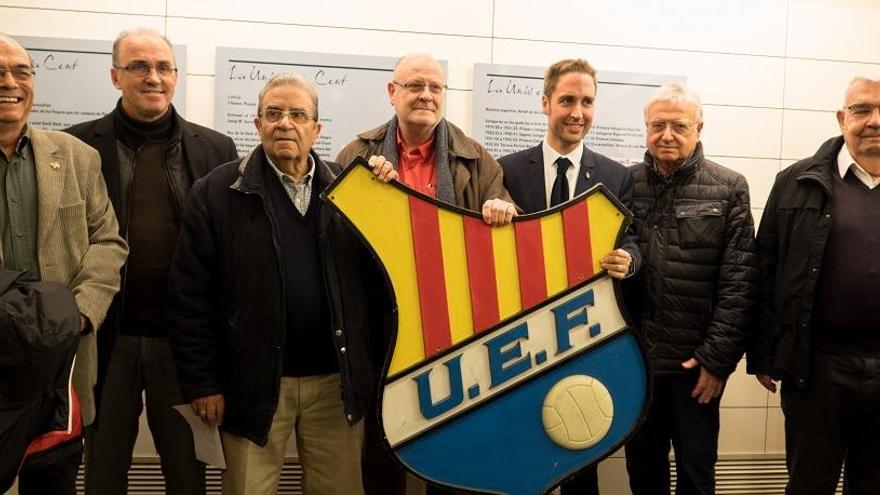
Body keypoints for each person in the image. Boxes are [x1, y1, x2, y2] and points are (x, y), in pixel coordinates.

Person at [167, 73, 395, 495]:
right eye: (273, 113)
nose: (285, 123)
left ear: (317, 129)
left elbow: (380, 286)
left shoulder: (350, 192)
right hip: (251, 384)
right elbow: (189, 297)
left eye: (298, 114)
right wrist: (202, 383)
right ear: (257, 125)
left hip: (335, 384)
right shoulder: (216, 193)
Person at [65, 27, 238, 494]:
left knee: (188, 477)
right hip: (106, 340)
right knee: (103, 475)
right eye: (139, 66)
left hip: (185, 346)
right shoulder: (77, 147)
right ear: (115, 76)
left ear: (176, 76)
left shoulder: (216, 150)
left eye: (164, 67)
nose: (153, 77)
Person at [336, 52, 516, 495]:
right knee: (382, 442)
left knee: (451, 438)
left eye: (436, 87)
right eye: (415, 85)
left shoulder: (478, 158)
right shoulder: (357, 155)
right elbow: (336, 241)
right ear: (392, 92)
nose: (426, 95)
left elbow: (505, 236)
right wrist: (365, 190)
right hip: (380, 324)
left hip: (454, 325)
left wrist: (503, 210)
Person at [498, 57, 640, 495]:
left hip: (583, 336)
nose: (578, 112)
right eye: (567, 101)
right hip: (519, 338)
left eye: (587, 102)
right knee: (520, 454)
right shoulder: (505, 170)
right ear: (545, 104)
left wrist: (629, 260)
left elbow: (633, 239)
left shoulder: (616, 175)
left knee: (580, 457)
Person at [0, 33, 127, 494]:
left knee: (53, 485)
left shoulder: (76, 157)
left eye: (21, 72)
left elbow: (108, 242)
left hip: (61, 367)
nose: (10, 82)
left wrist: (79, 315)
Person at [748, 77, 880, 495]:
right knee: (809, 485)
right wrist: (763, 352)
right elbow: (764, 268)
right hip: (817, 369)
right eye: (862, 109)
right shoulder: (796, 181)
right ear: (842, 118)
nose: (875, 121)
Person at [623, 83, 756, 495]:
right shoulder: (624, 183)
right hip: (636, 366)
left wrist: (716, 361)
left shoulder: (729, 187)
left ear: (699, 128)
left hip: (695, 371)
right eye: (657, 125)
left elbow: (739, 282)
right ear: (646, 127)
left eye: (679, 126)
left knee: (696, 478)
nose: (667, 135)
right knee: (643, 476)